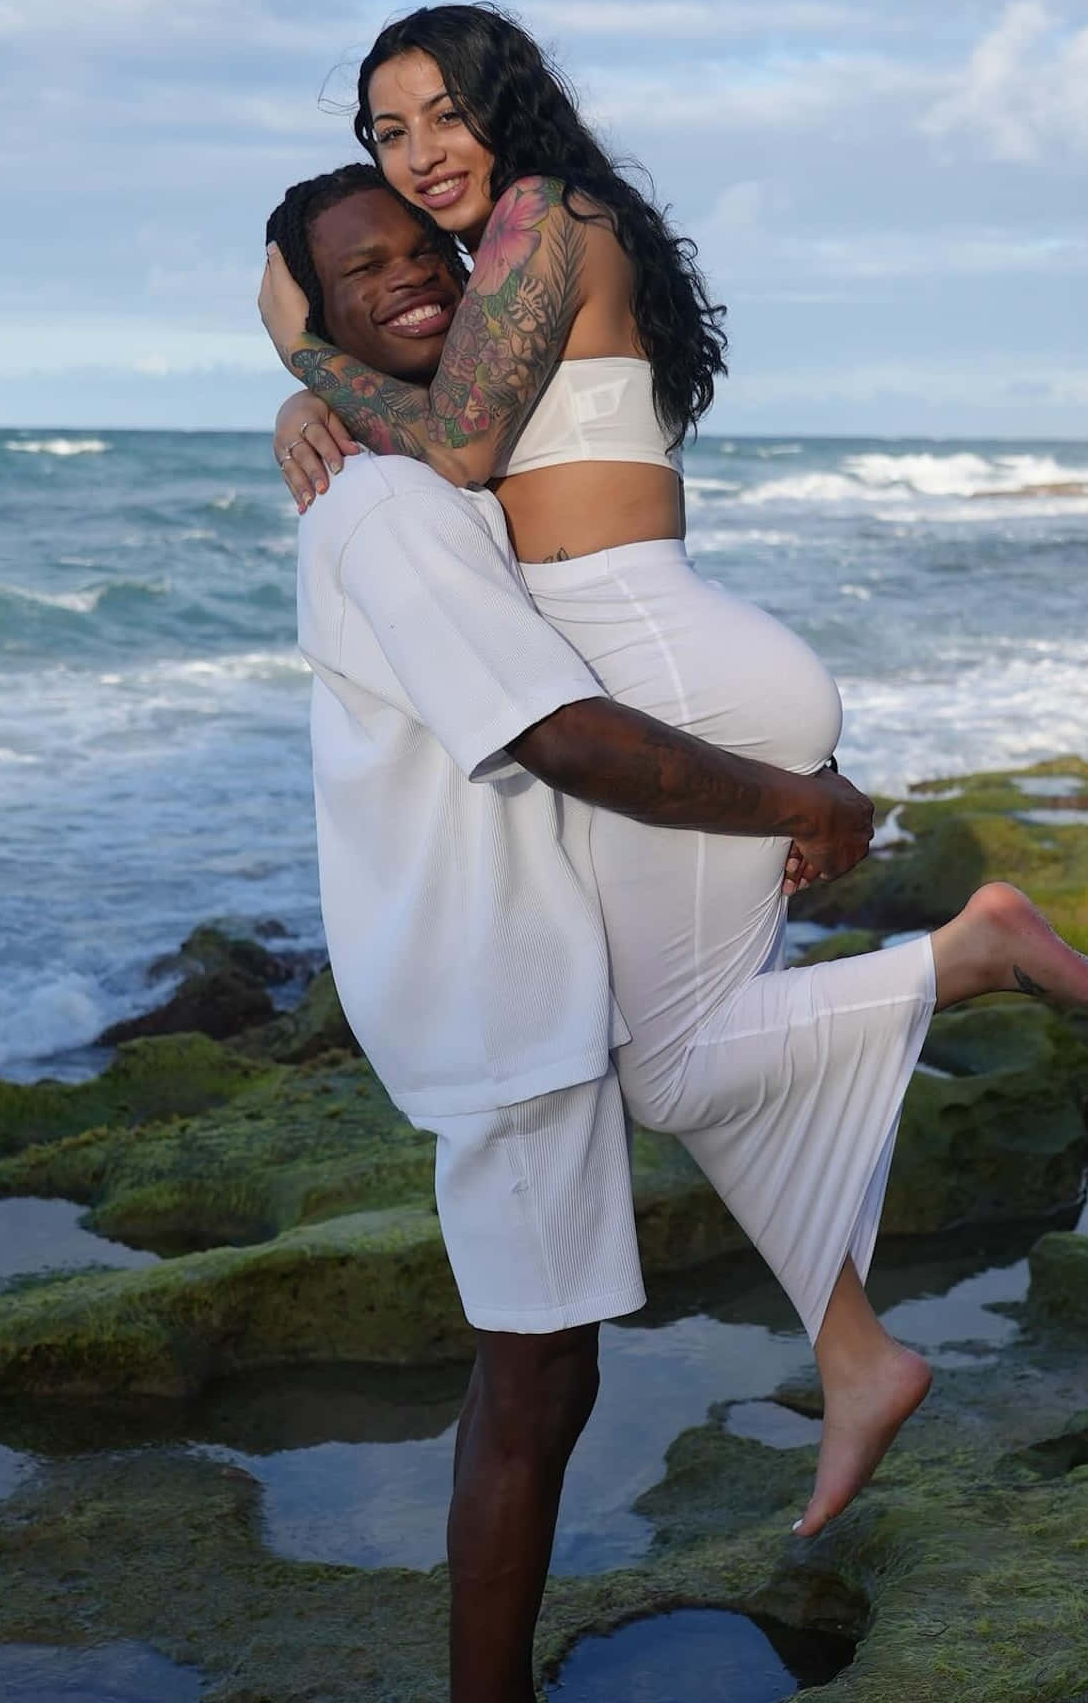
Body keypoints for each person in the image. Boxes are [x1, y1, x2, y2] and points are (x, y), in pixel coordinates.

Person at [263, 95, 1088, 1551]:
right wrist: (308, 389)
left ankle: (967, 961)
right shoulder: (515, 306)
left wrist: (298, 351)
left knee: (662, 1086)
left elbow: (503, 590)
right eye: (386, 136)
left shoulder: (533, 258)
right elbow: (430, 427)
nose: (422, 184)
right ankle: (856, 1352)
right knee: (678, 1061)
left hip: (674, 701)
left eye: (438, 133)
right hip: (694, 685)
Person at [280, 168, 881, 1703]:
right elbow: (562, 736)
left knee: (544, 1368)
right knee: (533, 1376)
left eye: (429, 253)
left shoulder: (436, 481)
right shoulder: (392, 506)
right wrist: (801, 809)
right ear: (312, 314)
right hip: (495, 983)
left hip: (524, 957)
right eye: (364, 273)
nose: (414, 277)